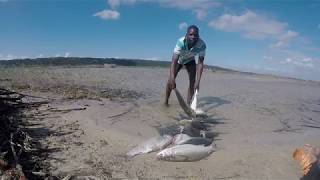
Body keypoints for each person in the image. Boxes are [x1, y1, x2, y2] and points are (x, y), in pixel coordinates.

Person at [164, 25, 206, 106]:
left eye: (195, 35)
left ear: (198, 36)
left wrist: (198, 82)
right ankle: (166, 102)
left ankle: (188, 105)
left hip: (190, 60)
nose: (193, 37)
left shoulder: (202, 45)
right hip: (179, 60)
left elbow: (200, 63)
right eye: (191, 34)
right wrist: (172, 78)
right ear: (186, 35)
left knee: (193, 83)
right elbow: (174, 61)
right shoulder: (180, 42)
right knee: (170, 81)